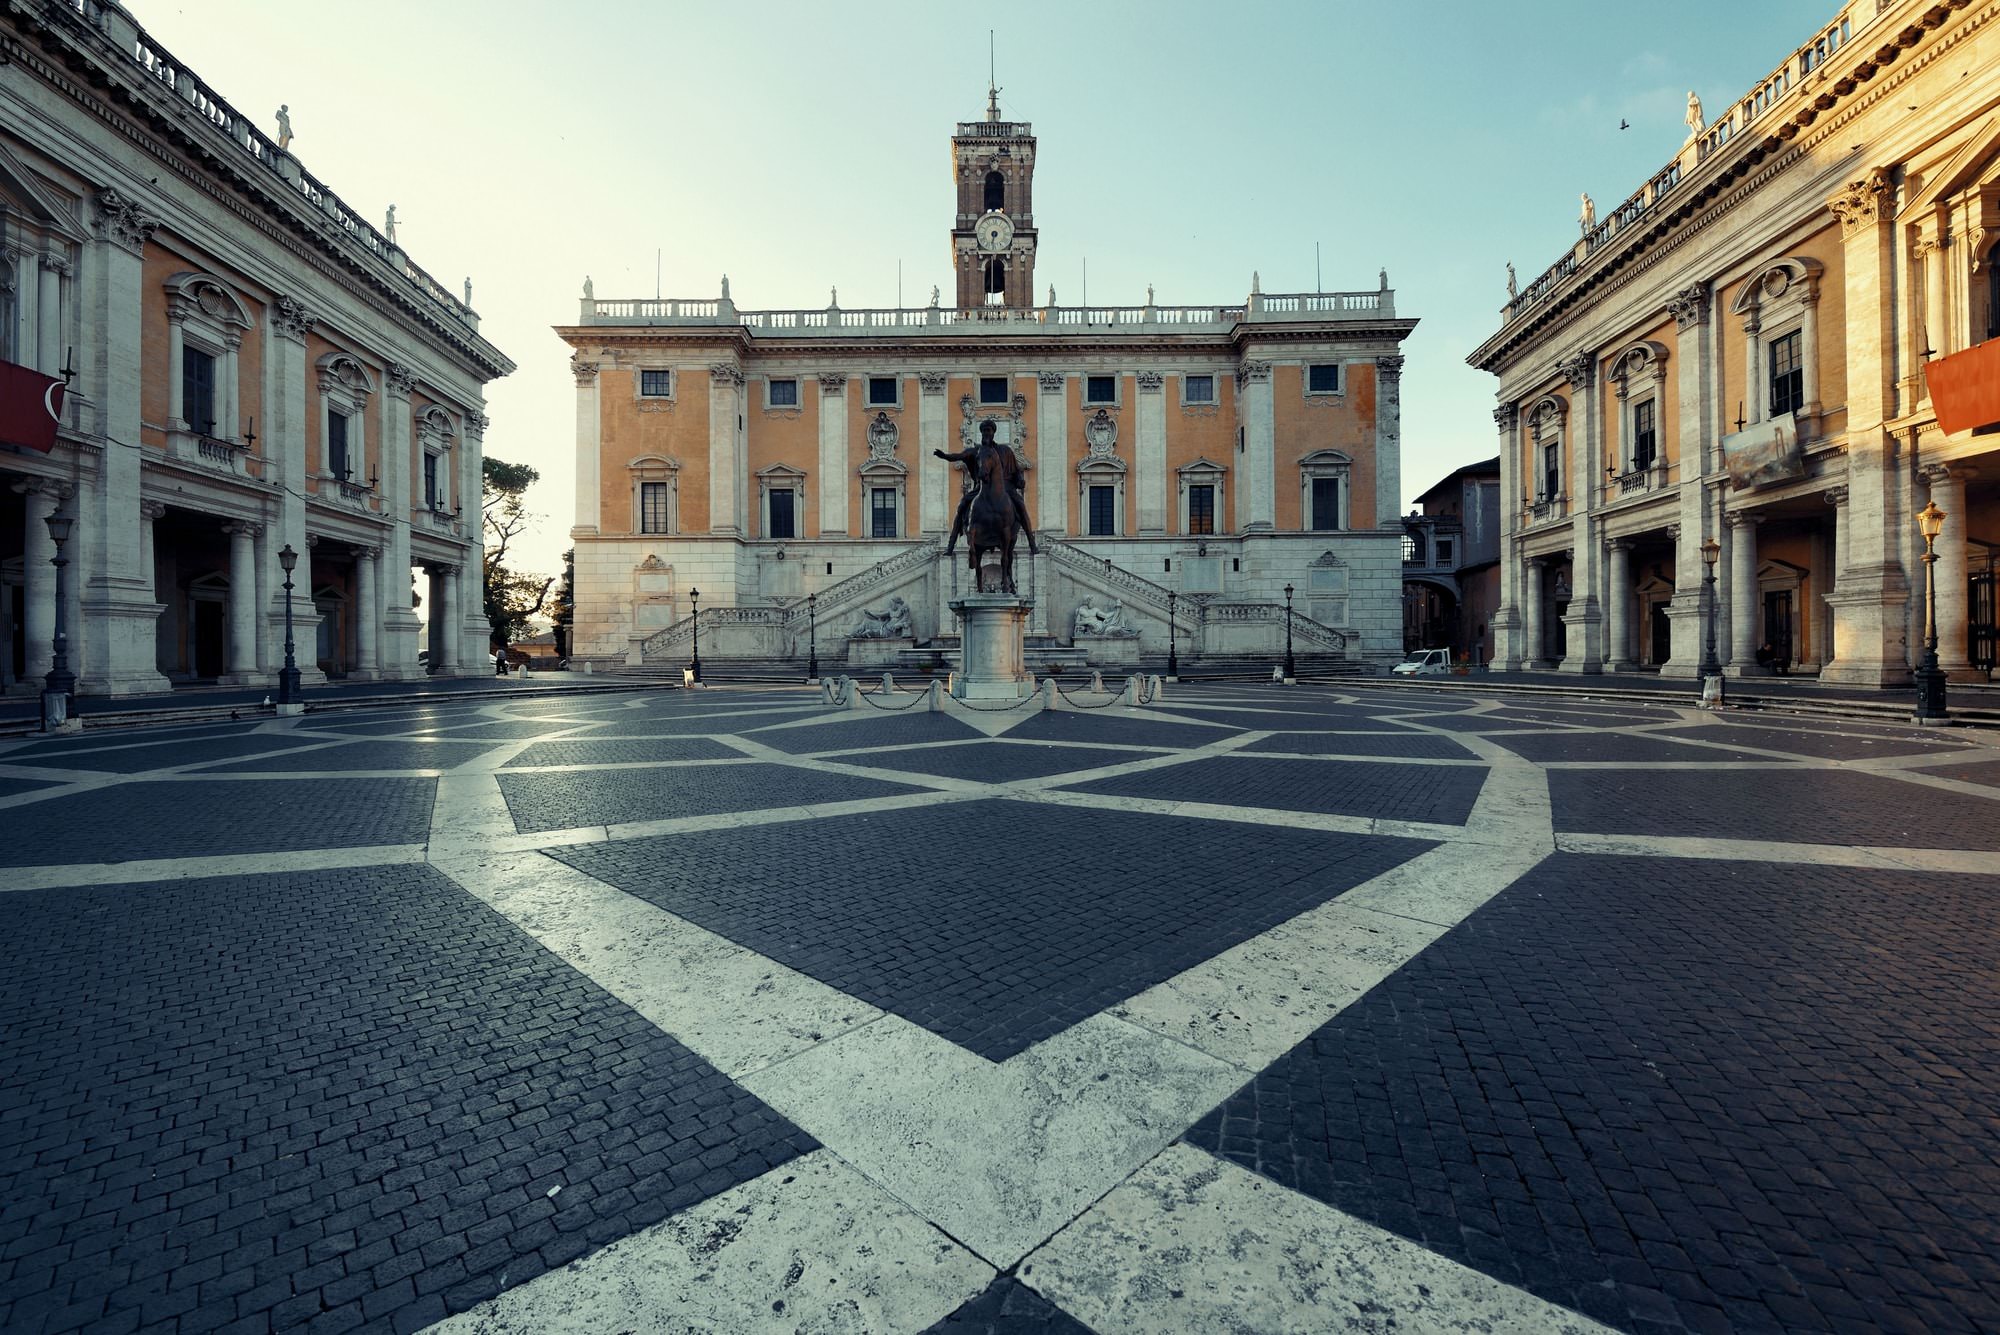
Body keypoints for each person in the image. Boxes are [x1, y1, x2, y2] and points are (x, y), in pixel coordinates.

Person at [935, 419, 1036, 556]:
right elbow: (960, 456)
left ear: (994, 432)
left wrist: (1019, 480)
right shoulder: (976, 451)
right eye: (983, 431)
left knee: (1021, 506)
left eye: (988, 430)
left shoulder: (1006, 451)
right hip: (981, 487)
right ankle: (950, 545)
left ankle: (1032, 544)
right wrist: (945, 456)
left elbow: (1017, 470)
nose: (986, 433)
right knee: (962, 506)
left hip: (1006, 488)